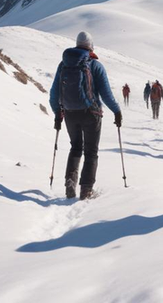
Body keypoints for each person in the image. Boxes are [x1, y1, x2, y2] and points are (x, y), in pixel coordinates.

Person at [49, 31, 122, 200]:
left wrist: (57, 114)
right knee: (91, 152)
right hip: (91, 114)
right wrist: (117, 111)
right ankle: (86, 190)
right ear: (91, 46)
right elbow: (106, 94)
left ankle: (70, 183)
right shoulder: (95, 65)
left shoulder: (63, 64)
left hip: (69, 114)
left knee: (75, 148)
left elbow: (54, 93)